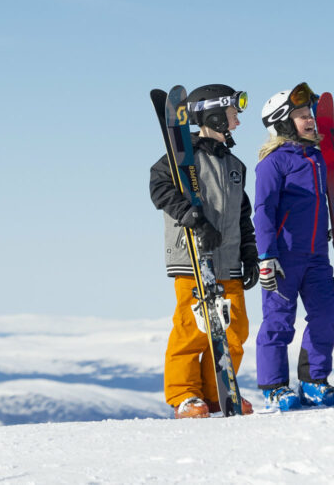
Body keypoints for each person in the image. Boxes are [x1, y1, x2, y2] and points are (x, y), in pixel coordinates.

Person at [253, 82, 334, 411]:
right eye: (301, 115)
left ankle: (313, 381)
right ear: (284, 122)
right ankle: (274, 387)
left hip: (317, 256)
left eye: (309, 114)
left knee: (326, 318)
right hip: (283, 258)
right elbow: (263, 212)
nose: (310, 120)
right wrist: (266, 256)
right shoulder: (273, 164)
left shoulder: (320, 160)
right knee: (278, 322)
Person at [149, 84, 259, 418]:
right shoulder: (182, 159)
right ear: (213, 115)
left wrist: (250, 252)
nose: (237, 122)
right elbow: (158, 187)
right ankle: (185, 395)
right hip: (193, 256)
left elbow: (243, 214)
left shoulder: (235, 164)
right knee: (192, 328)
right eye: (232, 115)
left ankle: (218, 392)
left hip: (228, 260)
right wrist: (190, 215)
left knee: (235, 329)